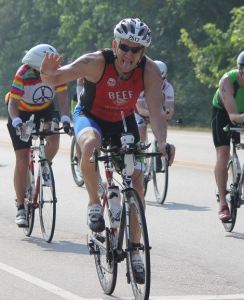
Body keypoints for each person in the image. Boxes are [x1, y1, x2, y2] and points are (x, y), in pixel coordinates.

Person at [40, 18, 174, 283]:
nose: (129, 54)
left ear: (143, 53)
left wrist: (161, 142)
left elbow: (157, 112)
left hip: (123, 121)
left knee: (137, 183)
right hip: (91, 117)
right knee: (89, 145)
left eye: (136, 50)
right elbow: (56, 77)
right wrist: (46, 73)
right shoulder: (95, 62)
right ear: (115, 44)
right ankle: (93, 202)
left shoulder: (149, 72)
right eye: (125, 47)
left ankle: (135, 252)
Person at [7, 43, 71, 227]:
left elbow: (63, 99)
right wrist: (17, 122)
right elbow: (12, 104)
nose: (52, 71)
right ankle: (20, 206)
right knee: (22, 156)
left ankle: (45, 164)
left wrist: (66, 118)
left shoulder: (57, 72)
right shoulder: (24, 73)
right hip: (21, 111)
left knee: (54, 135)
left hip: (45, 109)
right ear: (37, 67)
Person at [212, 51, 244, 221]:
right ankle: (223, 204)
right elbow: (233, 117)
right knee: (223, 154)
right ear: (241, 71)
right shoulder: (227, 81)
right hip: (224, 113)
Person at [135, 60, 175, 165]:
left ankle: (161, 147)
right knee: (141, 128)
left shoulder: (167, 87)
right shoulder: (141, 85)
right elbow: (140, 110)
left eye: (160, 79)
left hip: (155, 113)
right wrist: (157, 114)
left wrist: (167, 113)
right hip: (139, 113)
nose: (157, 82)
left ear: (165, 78)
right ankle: (140, 158)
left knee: (162, 123)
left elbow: (170, 108)